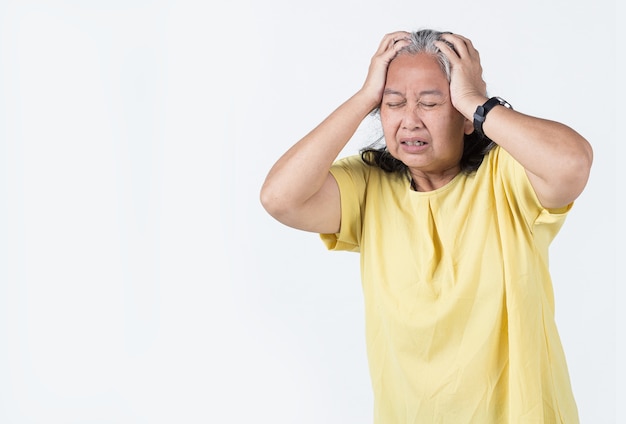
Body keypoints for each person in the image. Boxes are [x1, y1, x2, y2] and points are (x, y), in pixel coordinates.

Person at [260, 28, 592, 423]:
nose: (409, 121)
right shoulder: (368, 187)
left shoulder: (507, 177)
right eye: (394, 103)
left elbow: (571, 163)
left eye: (431, 103)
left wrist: (477, 102)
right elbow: (279, 198)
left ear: (465, 118)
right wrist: (365, 96)